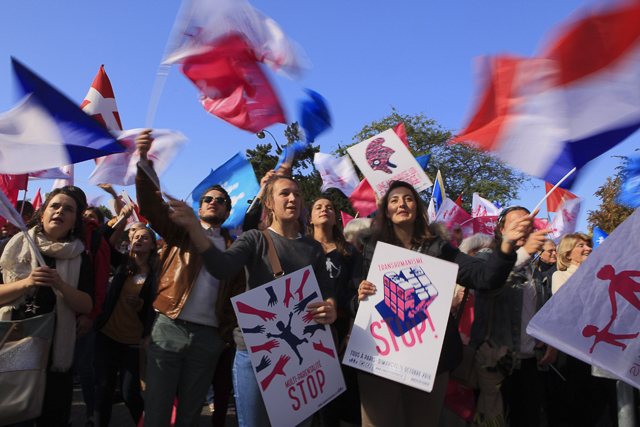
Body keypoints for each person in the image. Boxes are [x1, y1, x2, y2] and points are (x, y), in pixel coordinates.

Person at [165, 174, 337, 427]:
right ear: (269, 204)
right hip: (256, 353)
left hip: (305, 352)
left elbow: (326, 288)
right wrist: (194, 229)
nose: (293, 198)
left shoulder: (313, 248)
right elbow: (222, 267)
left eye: (297, 194)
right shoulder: (253, 239)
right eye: (285, 193)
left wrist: (330, 306)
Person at [356, 181, 526, 427]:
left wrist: (507, 245)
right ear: (386, 210)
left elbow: (485, 278)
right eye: (394, 200)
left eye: (408, 198)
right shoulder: (369, 249)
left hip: (429, 362)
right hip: (378, 356)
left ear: (418, 207)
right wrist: (359, 295)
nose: (401, 203)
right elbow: (352, 299)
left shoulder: (440, 248)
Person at [135, 129, 235, 427]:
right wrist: (143, 162)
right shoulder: (180, 231)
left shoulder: (235, 248)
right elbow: (151, 206)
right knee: (157, 409)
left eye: (220, 200)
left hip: (209, 337)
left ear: (228, 210)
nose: (213, 202)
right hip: (169, 325)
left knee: (191, 414)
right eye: (207, 198)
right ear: (200, 205)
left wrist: (224, 335)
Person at [0, 187, 94, 426]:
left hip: (54, 356)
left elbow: (86, 303)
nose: (60, 211)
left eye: (68, 209)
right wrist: (26, 283)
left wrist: (60, 284)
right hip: (13, 347)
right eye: (54, 206)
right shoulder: (12, 246)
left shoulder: (80, 257)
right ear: (42, 213)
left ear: (75, 221)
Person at [470, 206, 555, 427]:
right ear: (501, 228)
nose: (522, 228)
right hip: (497, 360)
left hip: (531, 364)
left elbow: (541, 309)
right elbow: (486, 285)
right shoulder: (486, 257)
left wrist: (550, 340)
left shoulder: (534, 269)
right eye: (516, 223)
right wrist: (524, 253)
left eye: (527, 225)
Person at [307, 197, 363, 427]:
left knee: (335, 393)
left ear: (336, 217)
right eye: (318, 207)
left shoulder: (349, 252)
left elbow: (356, 296)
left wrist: (349, 334)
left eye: (329, 207)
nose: (324, 210)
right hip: (305, 327)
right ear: (309, 217)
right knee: (310, 391)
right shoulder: (299, 248)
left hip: (339, 329)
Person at [93, 227, 158, 426]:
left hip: (133, 342)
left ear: (153, 245)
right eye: (136, 236)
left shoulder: (157, 274)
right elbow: (101, 243)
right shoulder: (122, 264)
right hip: (107, 337)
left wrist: (140, 306)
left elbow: (154, 308)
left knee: (130, 394)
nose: (139, 239)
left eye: (144, 237)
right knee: (103, 391)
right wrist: (121, 219)